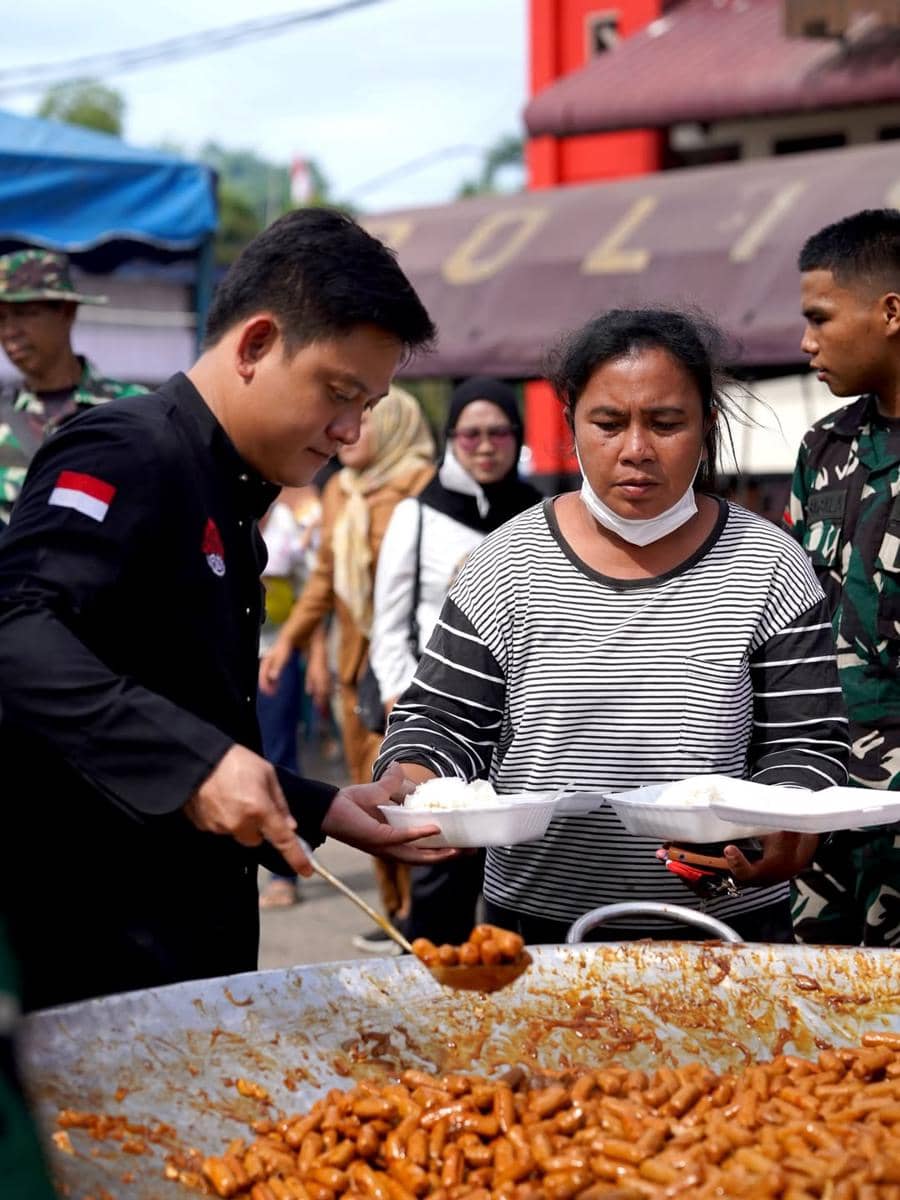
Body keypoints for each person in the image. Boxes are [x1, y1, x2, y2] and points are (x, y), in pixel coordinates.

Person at [0, 208, 452, 1013]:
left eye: (369, 405)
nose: (351, 433)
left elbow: (191, 709)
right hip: (103, 949)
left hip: (192, 941)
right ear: (255, 345)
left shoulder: (234, 493)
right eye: (339, 394)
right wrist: (196, 766)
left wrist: (324, 805)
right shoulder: (127, 450)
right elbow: (17, 630)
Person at [374, 308, 850, 944]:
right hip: (534, 932)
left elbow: (806, 739)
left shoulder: (770, 563)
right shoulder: (505, 561)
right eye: (608, 423)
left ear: (707, 425)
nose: (636, 450)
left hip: (726, 927)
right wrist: (411, 783)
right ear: (571, 423)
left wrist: (779, 826)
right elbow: (441, 721)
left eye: (666, 423)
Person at [367, 377, 542, 948]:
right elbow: (388, 622)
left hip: (524, 723)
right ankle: (430, 982)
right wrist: (399, 698)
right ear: (451, 440)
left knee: (516, 861)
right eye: (470, 434)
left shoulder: (544, 513)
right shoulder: (416, 516)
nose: (485, 446)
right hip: (443, 715)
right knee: (441, 858)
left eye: (499, 433)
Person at [260, 386, 435, 948]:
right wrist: (290, 642)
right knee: (369, 785)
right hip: (354, 666)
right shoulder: (340, 490)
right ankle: (393, 910)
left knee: (411, 789)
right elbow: (324, 579)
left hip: (412, 665)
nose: (353, 430)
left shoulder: (423, 488)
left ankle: (422, 912)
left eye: (369, 417)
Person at [785, 209, 900, 946]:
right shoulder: (825, 449)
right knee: (818, 1043)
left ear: (891, 311)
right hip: (826, 823)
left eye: (821, 317)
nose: (807, 341)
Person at [0, 249, 146, 525]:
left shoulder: (131, 411)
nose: (10, 331)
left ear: (66, 312)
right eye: (1, 318)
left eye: (23, 313)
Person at [257, 485, 322, 909]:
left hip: (276, 658)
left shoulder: (288, 524)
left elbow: (312, 595)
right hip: (223, 657)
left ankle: (285, 873)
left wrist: (316, 659)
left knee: (278, 758)